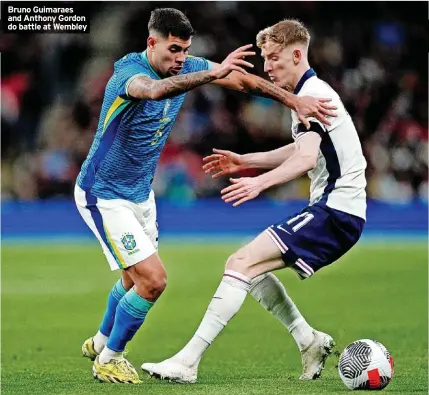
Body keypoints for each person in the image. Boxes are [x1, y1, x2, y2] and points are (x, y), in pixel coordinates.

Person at [74, 9, 336, 384]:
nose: (180, 59)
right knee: (153, 281)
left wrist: (292, 101)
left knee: (134, 281)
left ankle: (100, 341)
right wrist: (211, 74)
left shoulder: (186, 65)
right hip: (103, 193)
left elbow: (243, 80)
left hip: (140, 195)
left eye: (185, 51)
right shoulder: (128, 75)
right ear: (152, 43)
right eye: (174, 50)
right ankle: (110, 359)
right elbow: (153, 91)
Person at [141, 18, 367, 384]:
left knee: (240, 262)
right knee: (252, 270)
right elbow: (304, 148)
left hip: (336, 211)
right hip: (336, 211)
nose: (267, 67)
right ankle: (308, 340)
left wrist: (259, 182)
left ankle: (187, 362)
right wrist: (247, 161)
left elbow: (306, 159)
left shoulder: (315, 96)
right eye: (264, 58)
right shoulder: (307, 95)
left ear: (296, 55)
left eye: (274, 57)